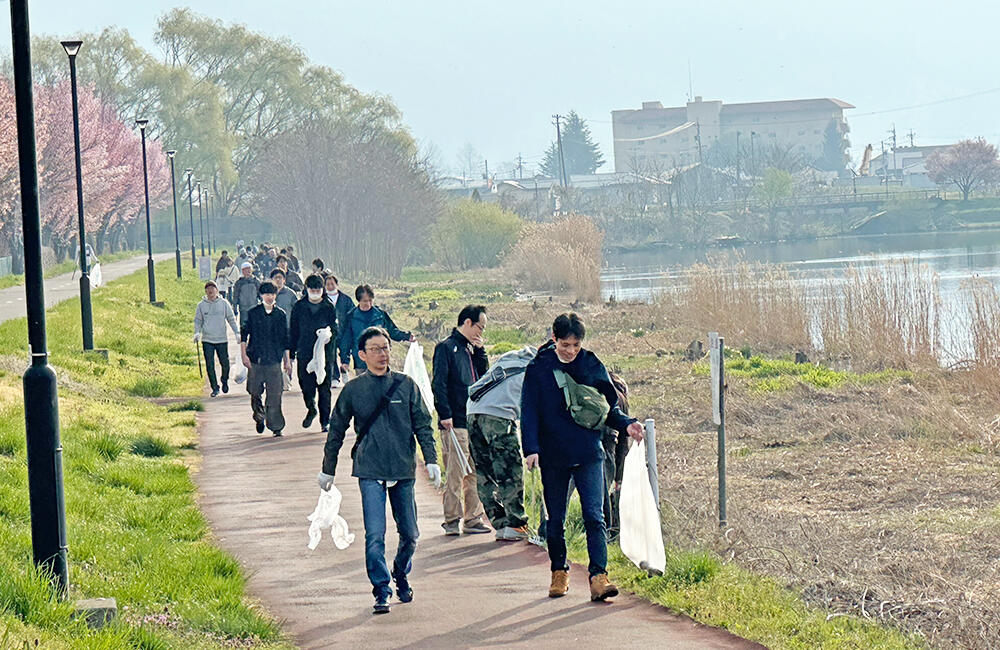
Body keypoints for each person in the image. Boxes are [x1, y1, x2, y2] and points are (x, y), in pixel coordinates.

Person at [317, 326, 441, 615]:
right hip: (370, 468)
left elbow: (423, 424)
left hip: (402, 468)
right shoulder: (353, 390)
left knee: (410, 534)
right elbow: (336, 431)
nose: (383, 354)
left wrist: (431, 458)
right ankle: (381, 589)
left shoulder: (406, 385)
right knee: (375, 534)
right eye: (375, 349)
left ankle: (400, 571)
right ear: (362, 355)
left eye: (385, 348)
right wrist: (328, 469)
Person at [521, 313, 644, 602]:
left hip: (589, 451)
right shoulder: (538, 368)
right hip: (553, 455)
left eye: (576, 345)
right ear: (554, 338)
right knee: (555, 519)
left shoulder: (591, 364)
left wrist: (627, 423)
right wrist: (531, 449)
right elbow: (528, 411)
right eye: (565, 344)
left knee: (594, 516)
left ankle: (598, 577)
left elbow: (608, 408)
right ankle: (559, 572)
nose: (571, 351)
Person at [466, 344, 537, 541]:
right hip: (499, 417)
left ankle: (500, 522)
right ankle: (516, 524)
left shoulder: (510, 356)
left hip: (472, 412)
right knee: (509, 471)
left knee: (484, 472)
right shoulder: (540, 367)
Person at [431, 305, 490, 536]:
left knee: (477, 471)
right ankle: (452, 519)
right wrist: (444, 414)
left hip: (474, 420)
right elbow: (439, 383)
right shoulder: (446, 348)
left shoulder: (472, 349)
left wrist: (482, 353)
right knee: (456, 472)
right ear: (467, 322)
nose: (481, 332)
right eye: (479, 327)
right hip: (454, 421)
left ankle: (473, 518)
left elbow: (484, 379)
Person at [240, 281, 291, 436]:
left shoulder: (280, 315)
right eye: (266, 294)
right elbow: (244, 335)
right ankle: (259, 415)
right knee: (255, 391)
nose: (269, 297)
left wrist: (287, 360)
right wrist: (243, 354)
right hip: (256, 359)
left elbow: (285, 339)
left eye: (272, 294)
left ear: (275, 295)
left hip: (274, 360)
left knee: (275, 394)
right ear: (261, 295)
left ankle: (276, 426)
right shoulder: (253, 313)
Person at [289, 274, 339, 433]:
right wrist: (291, 354)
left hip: (325, 354)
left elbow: (336, 329)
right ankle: (311, 408)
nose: (315, 292)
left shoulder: (328, 307)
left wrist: (329, 336)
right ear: (307, 289)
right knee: (306, 385)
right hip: (304, 351)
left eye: (318, 289)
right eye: (312, 289)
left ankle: (325, 420)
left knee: (325, 388)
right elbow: (293, 331)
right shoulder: (299, 307)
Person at [339, 284, 414, 376]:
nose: (369, 304)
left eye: (371, 300)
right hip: (361, 360)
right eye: (365, 301)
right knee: (363, 388)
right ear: (359, 300)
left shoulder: (380, 315)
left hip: (380, 358)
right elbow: (346, 340)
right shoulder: (351, 316)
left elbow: (392, 331)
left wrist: (406, 336)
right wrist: (345, 360)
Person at [193, 280, 240, 397]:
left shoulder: (224, 303)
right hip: (207, 339)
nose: (210, 292)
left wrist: (237, 333)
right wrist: (197, 333)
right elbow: (198, 321)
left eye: (212, 290)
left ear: (217, 290)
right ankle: (215, 387)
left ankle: (224, 380)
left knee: (225, 363)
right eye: (208, 291)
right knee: (210, 364)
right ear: (206, 292)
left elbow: (231, 319)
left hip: (221, 338)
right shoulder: (201, 305)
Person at [324, 273, 355, 388]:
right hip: (330, 332)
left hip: (344, 330)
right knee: (331, 355)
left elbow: (352, 314)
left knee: (345, 352)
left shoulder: (346, 299)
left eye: (332, 283)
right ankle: (334, 377)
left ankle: (345, 369)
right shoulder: (323, 299)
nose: (330, 286)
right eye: (328, 284)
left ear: (337, 284)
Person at [232, 262, 261, 329]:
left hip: (254, 307)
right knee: (244, 327)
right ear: (242, 271)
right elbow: (235, 296)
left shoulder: (256, 281)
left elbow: (261, 294)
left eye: (249, 269)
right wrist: (235, 308)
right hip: (243, 308)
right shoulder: (239, 282)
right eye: (245, 269)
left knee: (255, 327)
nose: (248, 271)